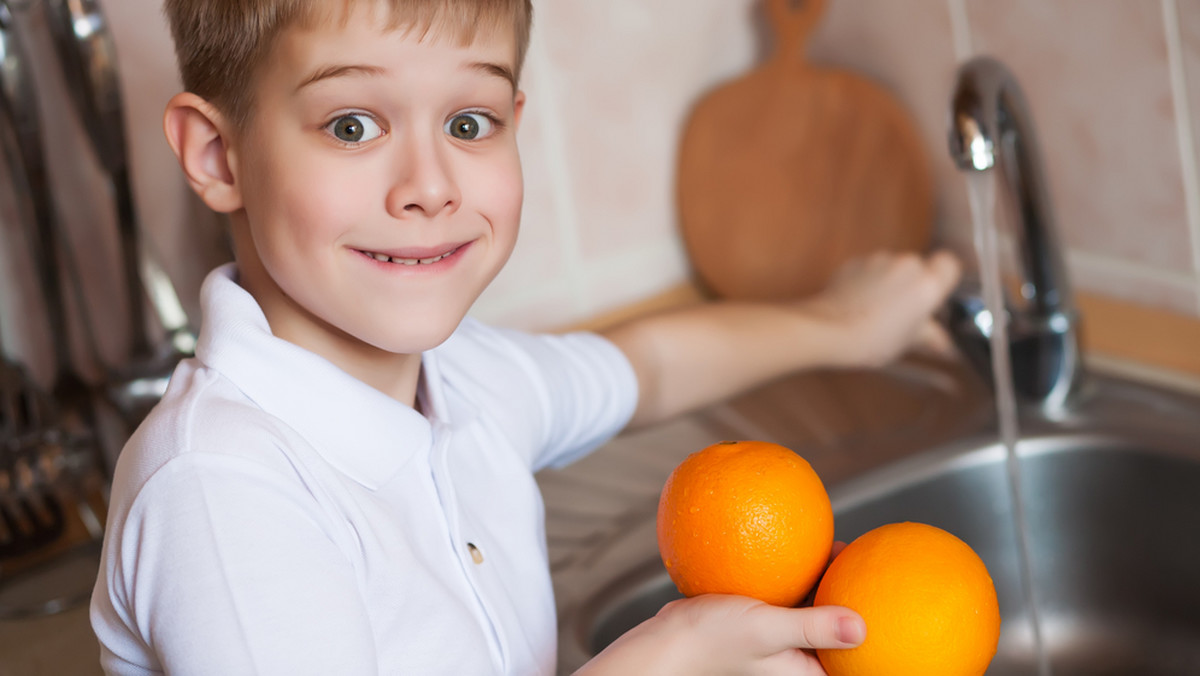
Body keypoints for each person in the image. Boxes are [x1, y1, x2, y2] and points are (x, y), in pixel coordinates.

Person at [89, 1, 962, 674]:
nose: (429, 187)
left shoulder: (463, 376)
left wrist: (844, 325)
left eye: (468, 124)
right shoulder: (219, 488)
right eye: (353, 125)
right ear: (217, 155)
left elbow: (648, 368)